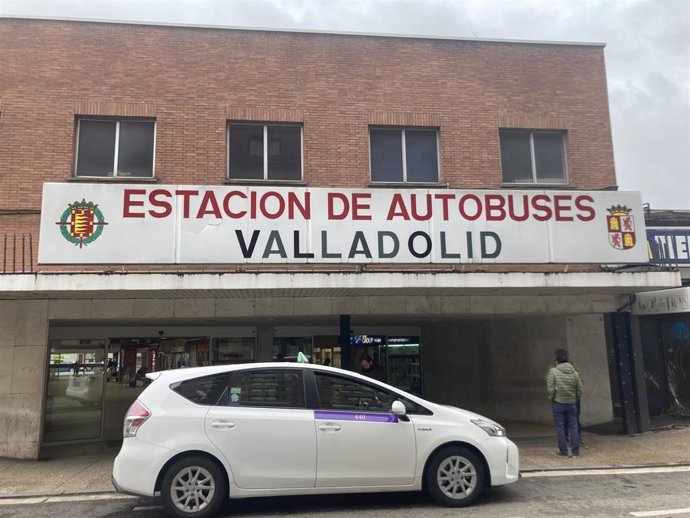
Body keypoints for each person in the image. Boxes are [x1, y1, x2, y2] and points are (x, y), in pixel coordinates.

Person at [546, 348, 583, 458]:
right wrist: (575, 398)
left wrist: (552, 397)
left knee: (560, 427)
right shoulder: (575, 373)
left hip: (558, 403)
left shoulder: (553, 372)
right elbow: (580, 390)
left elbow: (550, 388)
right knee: (574, 426)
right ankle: (575, 452)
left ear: (556, 360)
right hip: (572, 403)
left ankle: (563, 452)